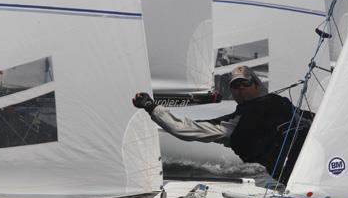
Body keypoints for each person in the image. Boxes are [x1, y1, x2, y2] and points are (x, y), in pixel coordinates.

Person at [133, 66, 313, 184]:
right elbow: (183, 129)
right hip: (293, 174)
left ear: (256, 85)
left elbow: (310, 120)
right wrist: (152, 108)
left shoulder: (280, 102)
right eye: (235, 86)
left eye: (245, 83)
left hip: (315, 158)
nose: (240, 88)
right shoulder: (232, 124)